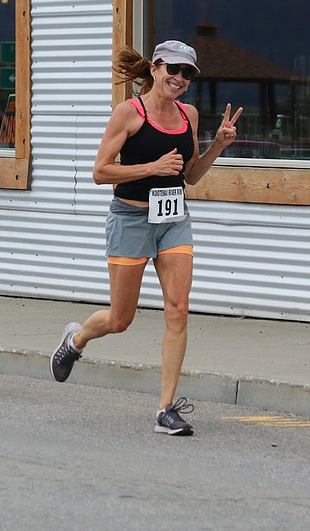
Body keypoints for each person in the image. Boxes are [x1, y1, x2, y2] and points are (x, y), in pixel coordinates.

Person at [50, 40, 242, 436]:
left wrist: (218, 147)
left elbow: (189, 175)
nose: (180, 78)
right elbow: (101, 172)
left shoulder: (188, 115)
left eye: (188, 73)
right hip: (131, 220)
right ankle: (76, 338)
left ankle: (165, 409)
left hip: (173, 220)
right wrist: (151, 167)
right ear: (155, 69)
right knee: (121, 319)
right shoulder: (129, 113)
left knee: (179, 308)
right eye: (173, 69)